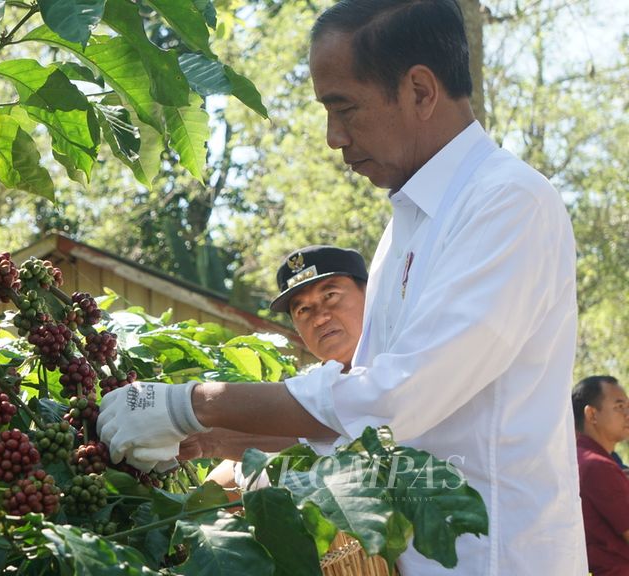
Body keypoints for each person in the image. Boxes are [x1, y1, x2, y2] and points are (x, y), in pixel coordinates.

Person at [97, 1, 586, 574]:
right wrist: (220, 439)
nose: (333, 138)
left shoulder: (508, 203)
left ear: (421, 91)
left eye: (344, 108)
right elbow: (359, 422)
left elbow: (393, 401)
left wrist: (192, 404)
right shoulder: (408, 226)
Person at [191, 245, 368, 489]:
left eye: (330, 296)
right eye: (303, 309)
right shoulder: (300, 394)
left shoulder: (401, 370)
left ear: (370, 294)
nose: (319, 318)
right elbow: (215, 489)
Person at [573, 375, 629, 575]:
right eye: (619, 407)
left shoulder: (575, 458)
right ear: (591, 414)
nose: (627, 414)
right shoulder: (597, 466)